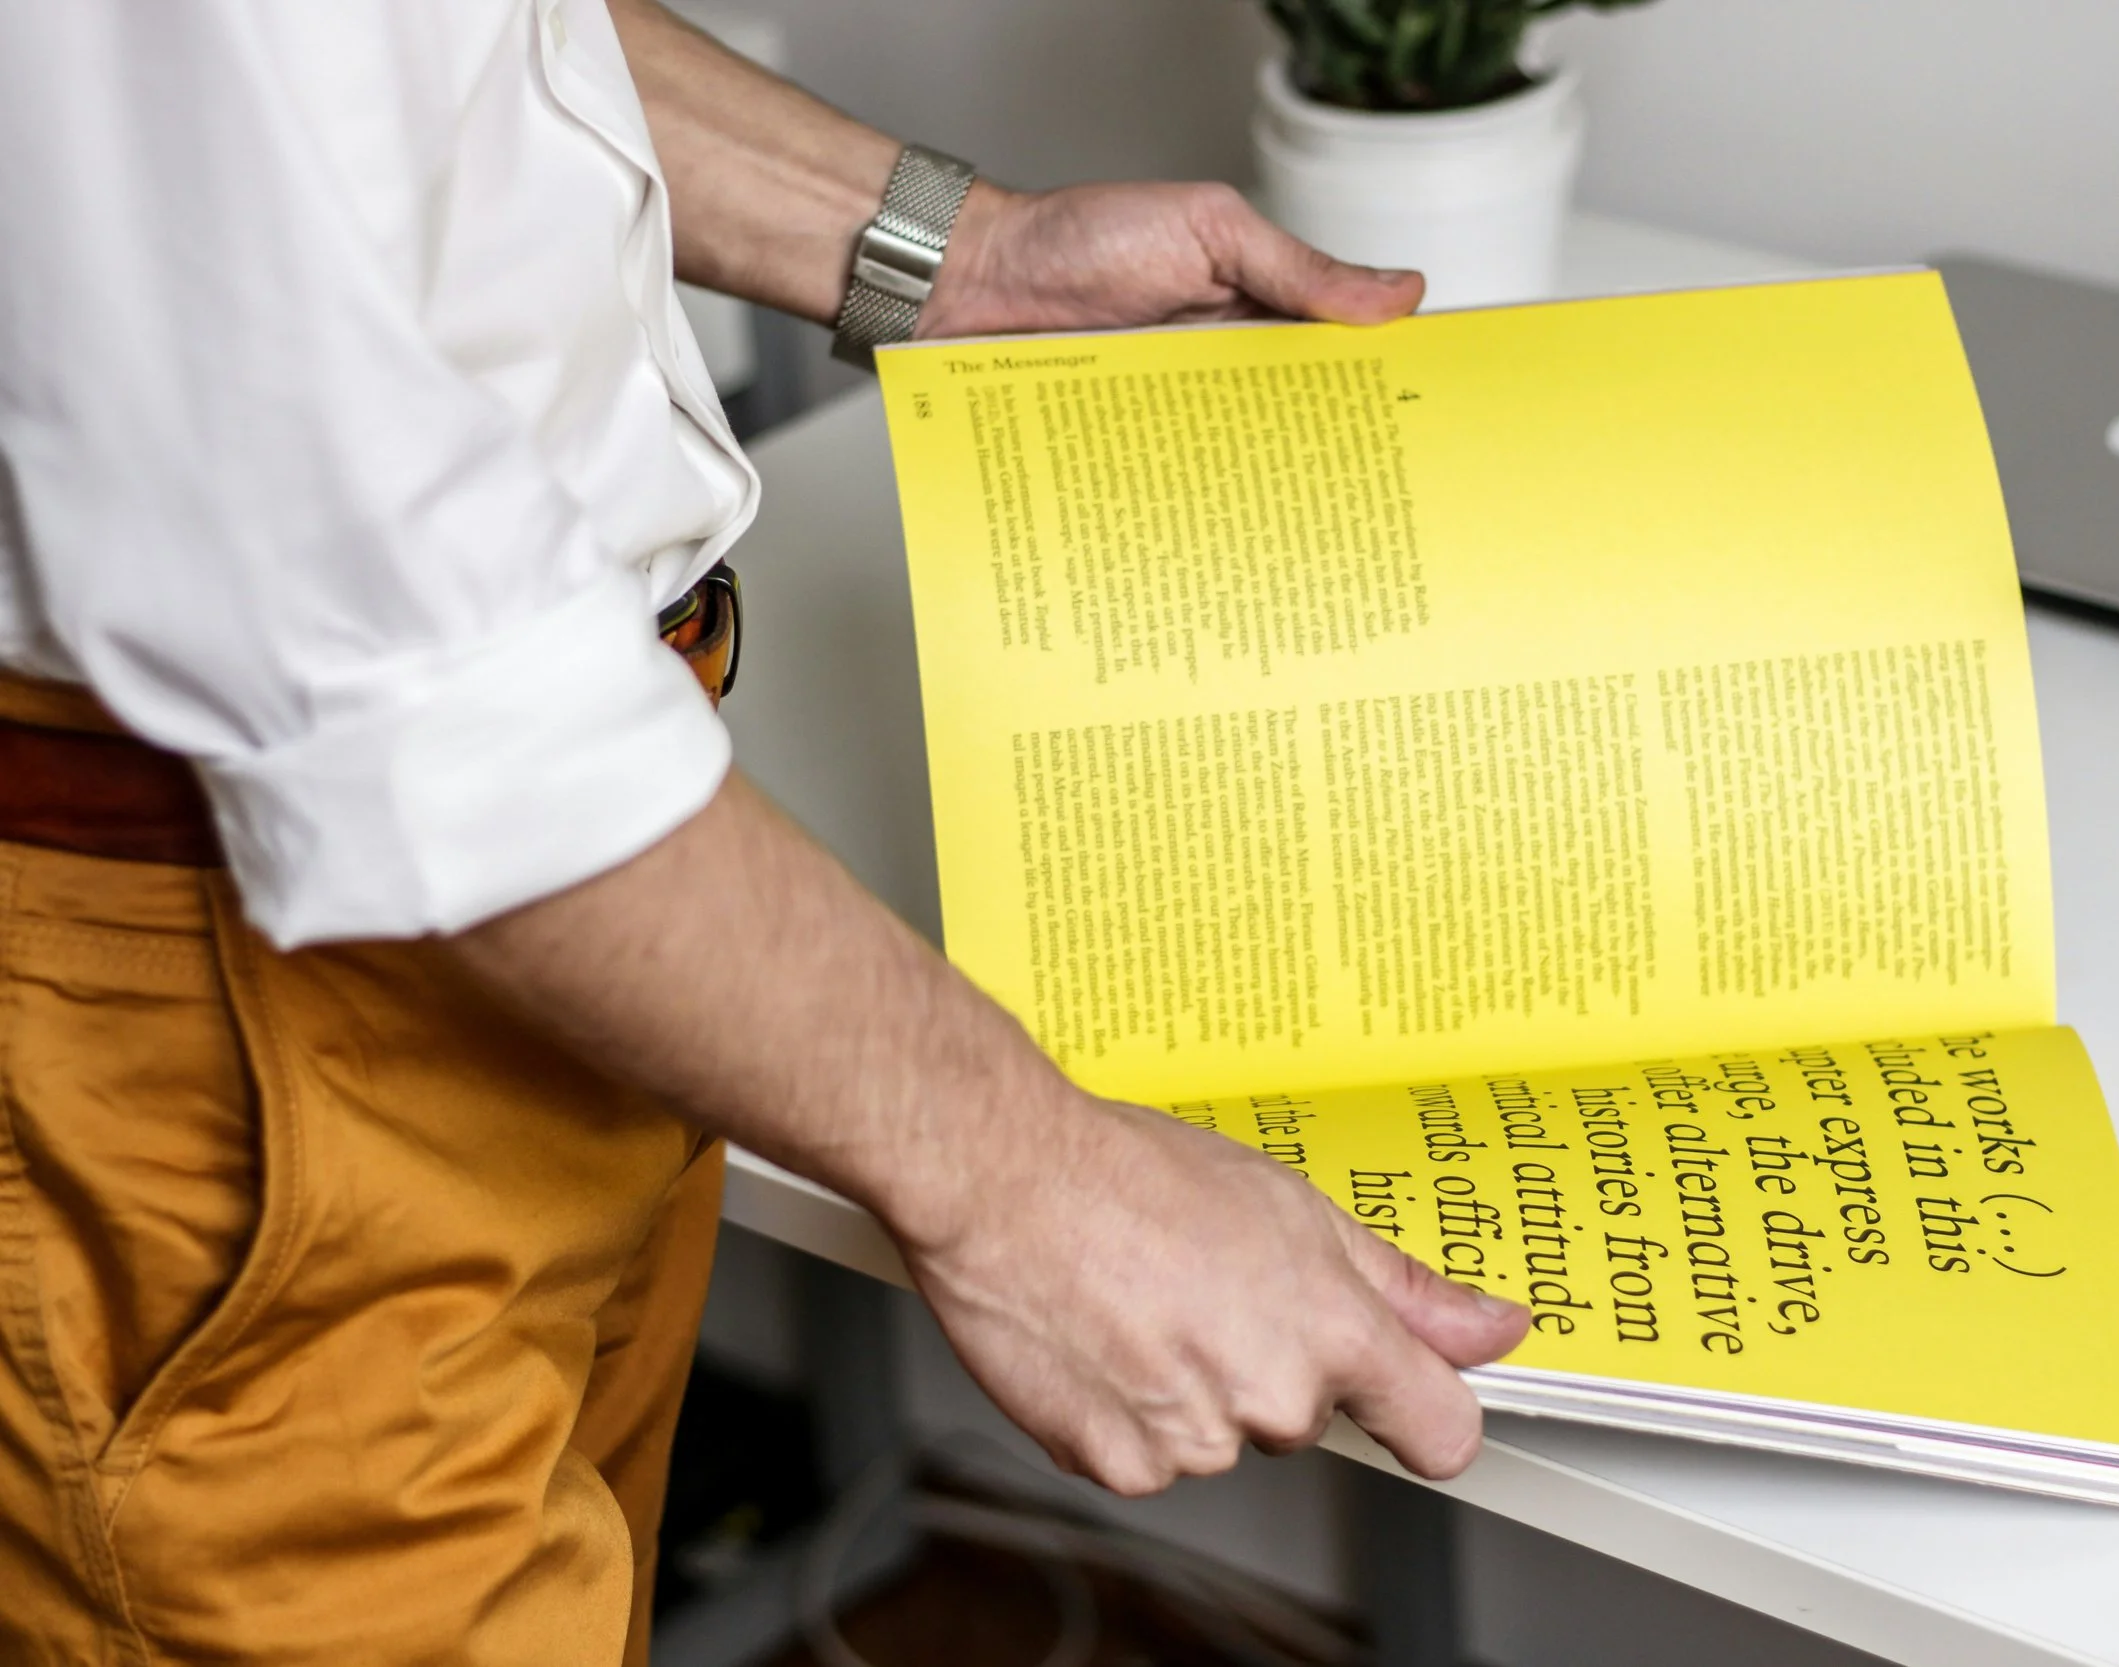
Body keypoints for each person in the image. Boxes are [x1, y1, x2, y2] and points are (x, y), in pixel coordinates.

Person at [0, 3, 1531, 1662]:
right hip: (252, 983)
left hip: (607, 890)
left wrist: (966, 256)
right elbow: (386, 667)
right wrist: (1027, 1169)